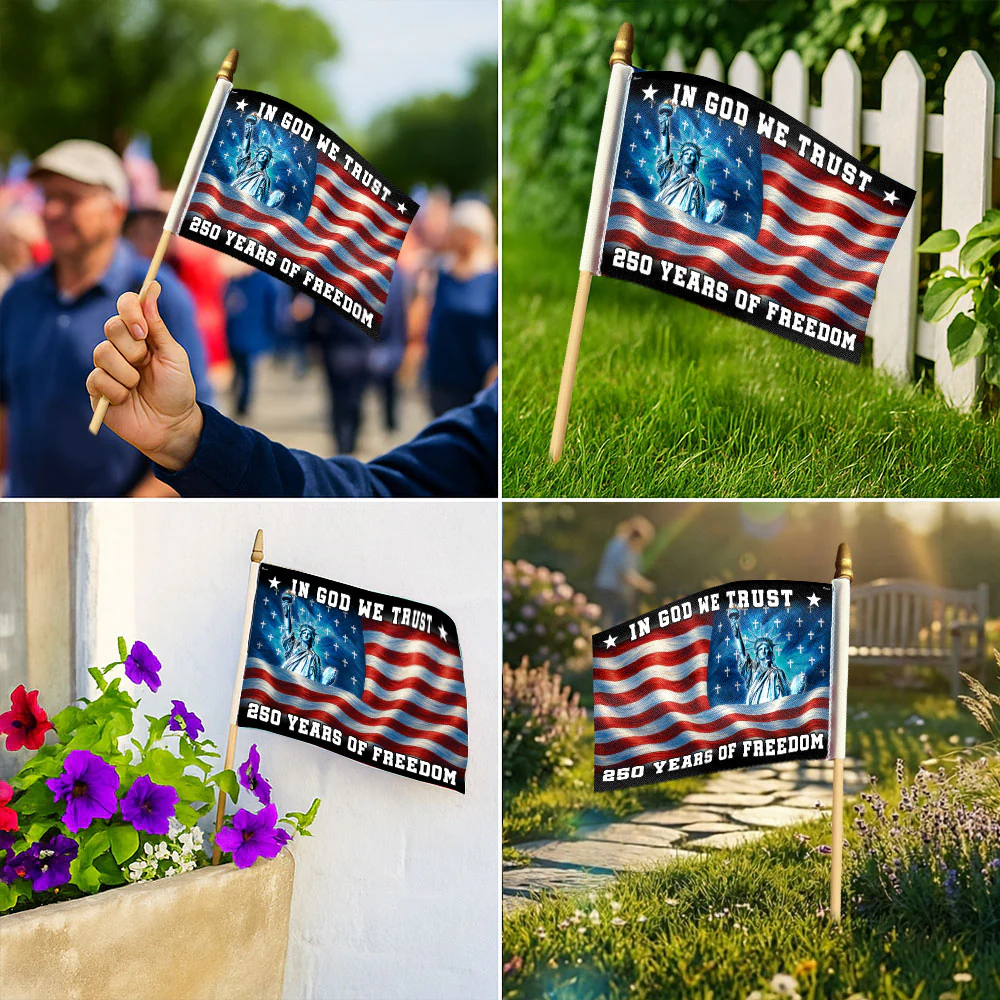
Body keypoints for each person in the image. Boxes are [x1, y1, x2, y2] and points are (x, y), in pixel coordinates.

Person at [85, 282, 497, 497]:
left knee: (354, 411)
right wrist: (185, 435)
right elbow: (373, 495)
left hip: (370, 359)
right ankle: (345, 438)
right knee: (342, 416)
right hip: (336, 357)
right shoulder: (490, 425)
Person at [0, 140, 210, 497]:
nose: (51, 210)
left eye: (69, 198)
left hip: (121, 532)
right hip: (27, 519)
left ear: (116, 209)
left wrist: (125, 519)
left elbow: (193, 437)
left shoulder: (156, 297)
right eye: (46, 196)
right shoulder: (19, 296)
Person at [425, 198, 498, 417]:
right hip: (443, 376)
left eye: (463, 232)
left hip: (479, 376)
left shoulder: (491, 276)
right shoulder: (441, 271)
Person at [223, 265, 282, 416]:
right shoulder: (235, 281)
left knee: (247, 372)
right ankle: (239, 402)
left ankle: (242, 405)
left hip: (251, 333)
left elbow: (272, 309)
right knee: (240, 370)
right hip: (237, 334)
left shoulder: (261, 281)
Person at [594, 516, 656, 627]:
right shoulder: (619, 545)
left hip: (620, 594)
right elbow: (626, 574)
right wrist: (644, 585)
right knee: (609, 625)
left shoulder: (634, 549)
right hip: (610, 590)